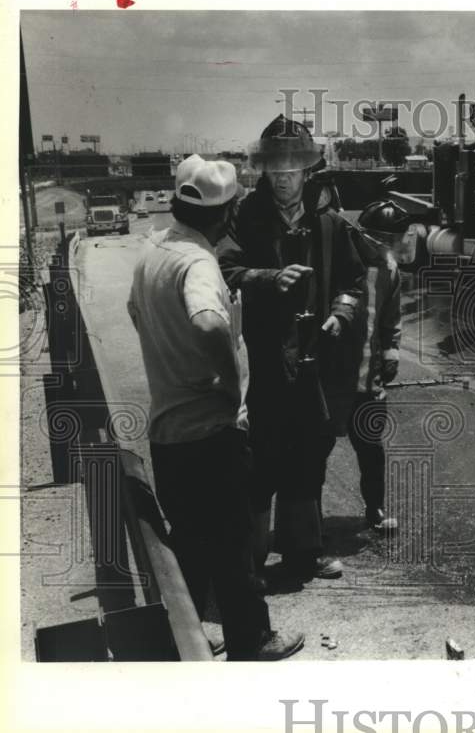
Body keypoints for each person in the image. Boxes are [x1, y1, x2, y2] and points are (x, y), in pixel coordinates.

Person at [126, 154, 303, 660]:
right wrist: (229, 382)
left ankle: (194, 632)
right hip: (210, 429)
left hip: (168, 429)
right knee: (231, 538)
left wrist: (170, 358)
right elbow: (207, 321)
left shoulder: (154, 249)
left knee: (191, 537)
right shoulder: (199, 261)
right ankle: (253, 639)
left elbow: (134, 311)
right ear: (225, 215)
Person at [217, 116, 367, 583]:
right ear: (263, 171)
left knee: (308, 456)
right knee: (259, 459)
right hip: (259, 363)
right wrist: (266, 278)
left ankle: (304, 553)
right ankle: (253, 561)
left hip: (311, 364)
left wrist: (340, 313)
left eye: (292, 168)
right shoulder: (243, 217)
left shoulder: (330, 222)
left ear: (307, 171)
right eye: (275, 169)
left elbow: (356, 281)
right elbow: (222, 270)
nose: (283, 177)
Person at [346, 200, 414, 532]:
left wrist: (391, 353)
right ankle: (307, 523)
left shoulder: (389, 269)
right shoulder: (344, 261)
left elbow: (391, 317)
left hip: (368, 379)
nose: (395, 247)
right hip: (334, 375)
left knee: (371, 448)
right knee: (313, 452)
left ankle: (374, 508)